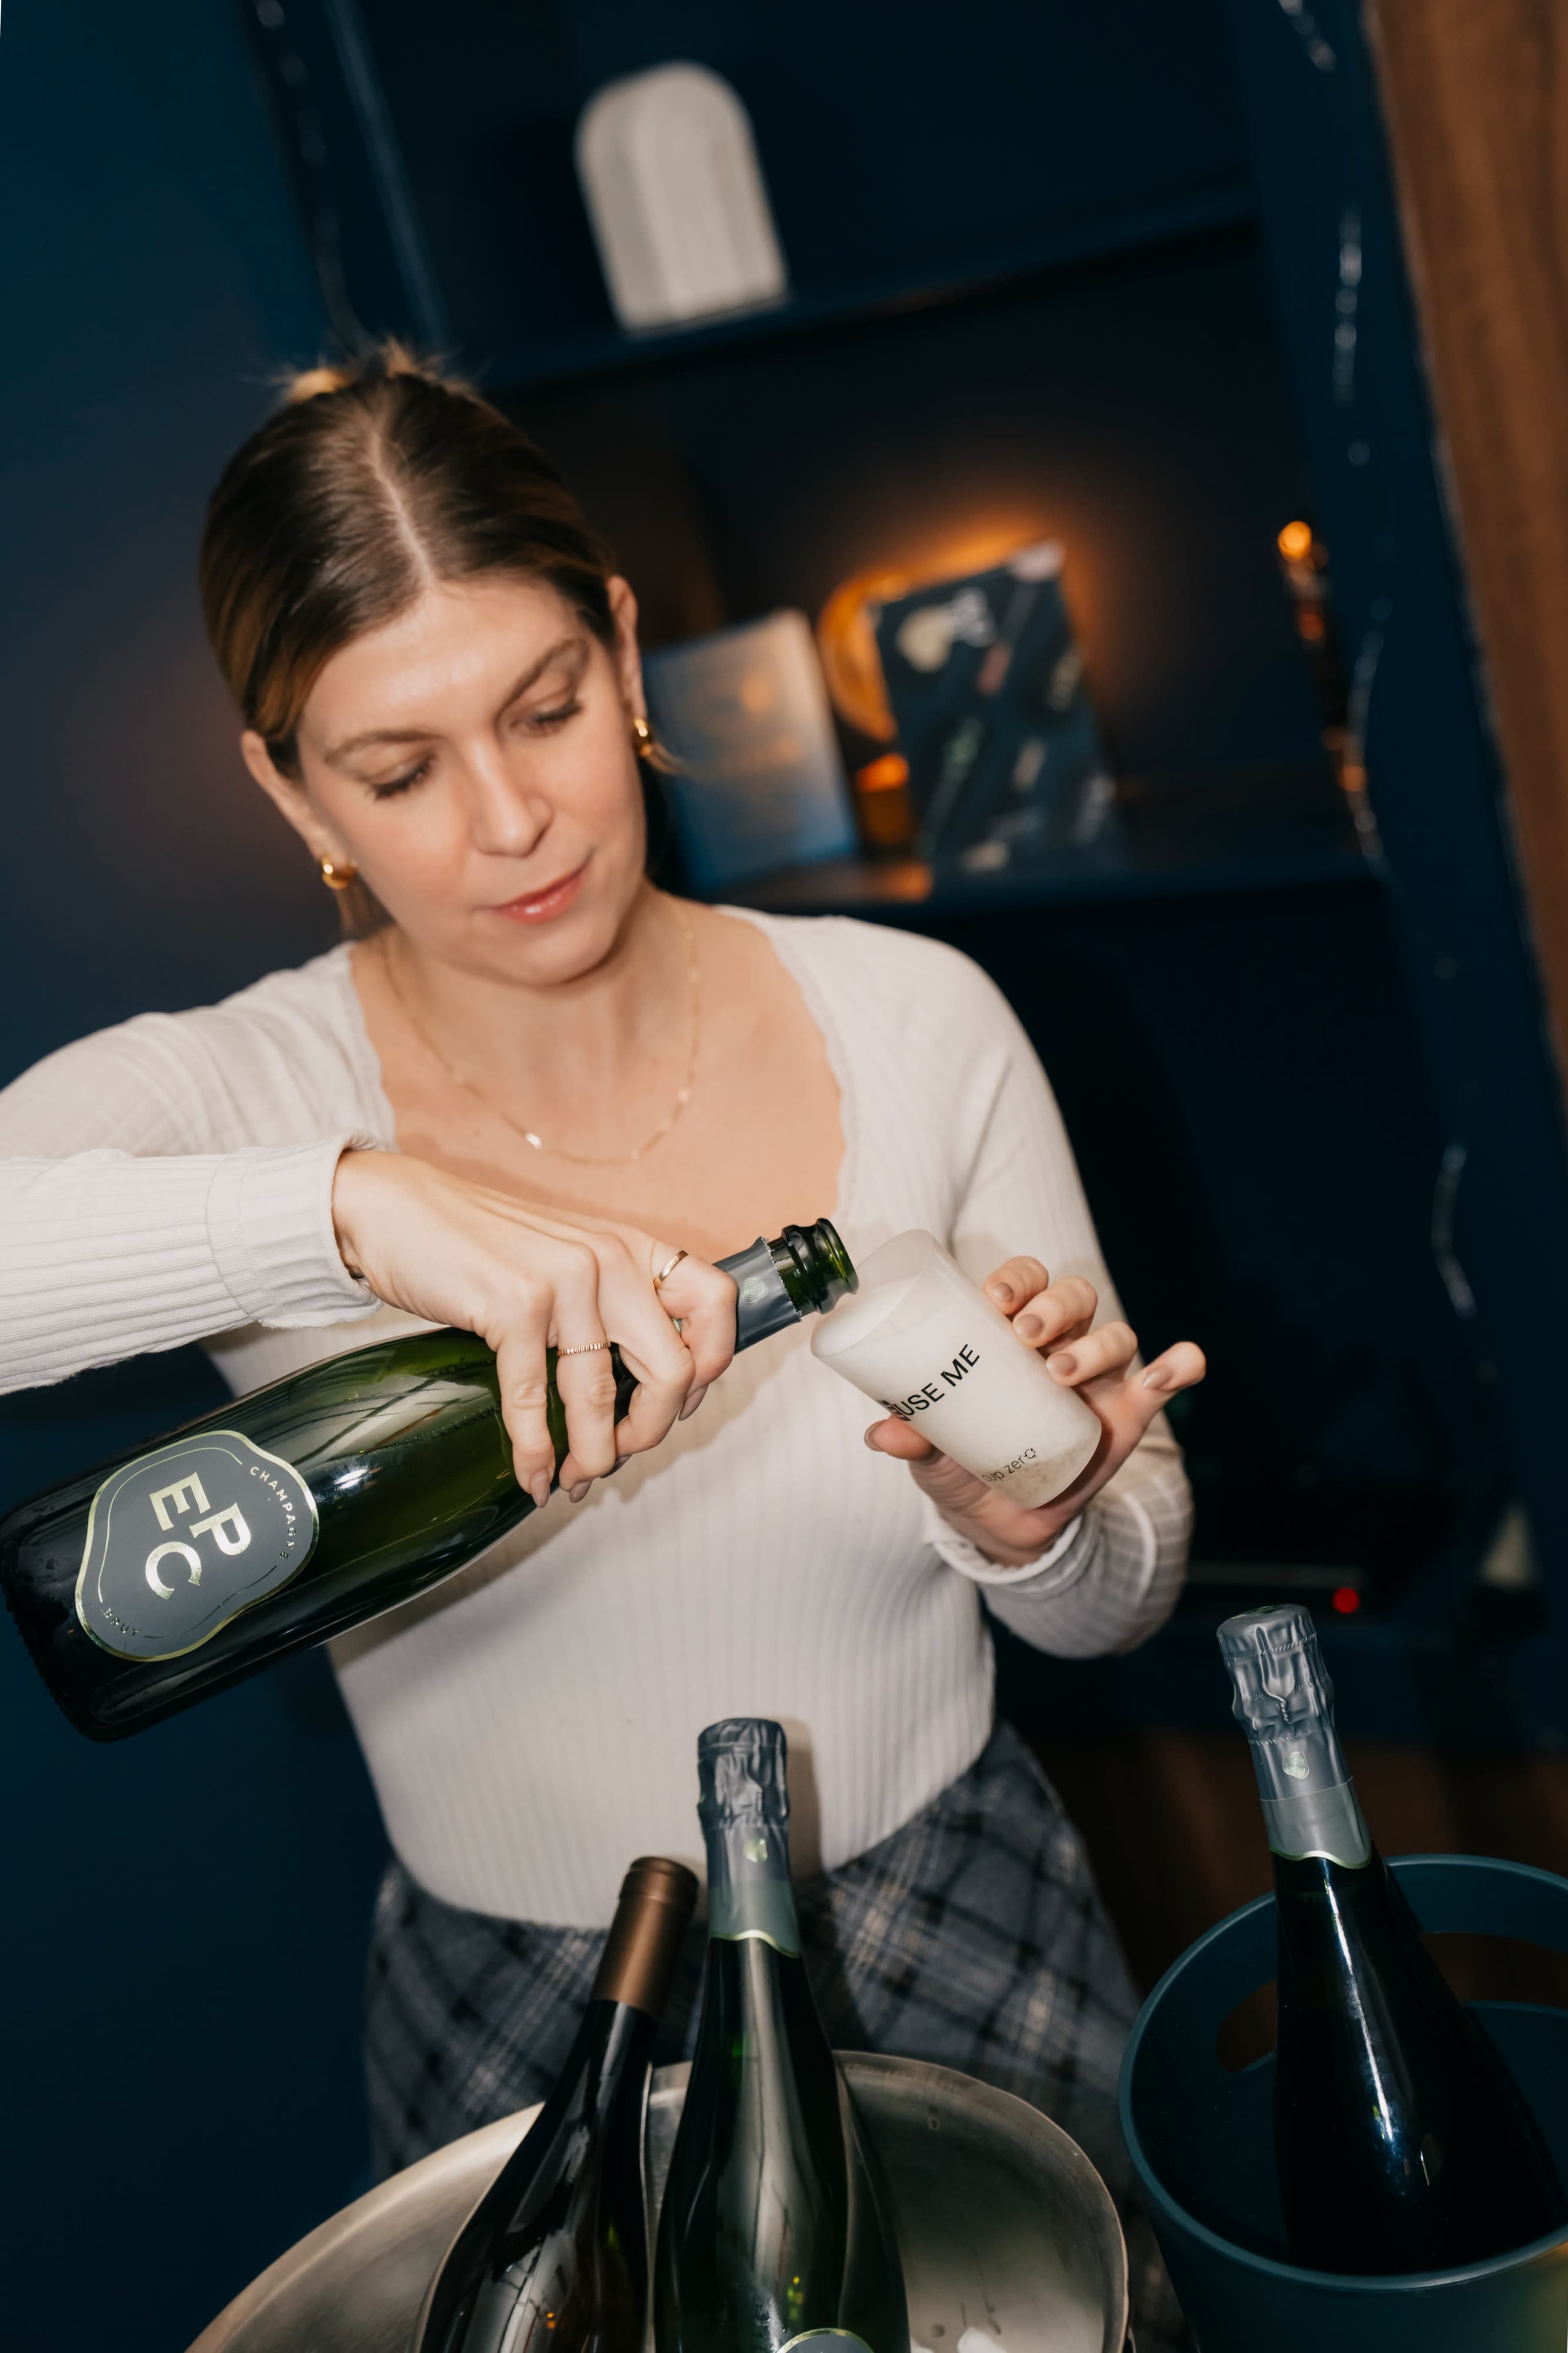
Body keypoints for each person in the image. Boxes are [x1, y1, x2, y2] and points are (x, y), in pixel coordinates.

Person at [0, 350, 1203, 2337]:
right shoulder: (241, 1092)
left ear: (627, 649)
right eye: (397, 771)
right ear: (286, 784)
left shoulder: (919, 1019)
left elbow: (1118, 1588)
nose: (510, 821)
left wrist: (1046, 1520)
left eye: (546, 708)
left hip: (957, 1916)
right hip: (535, 2008)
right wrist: (337, 1203)